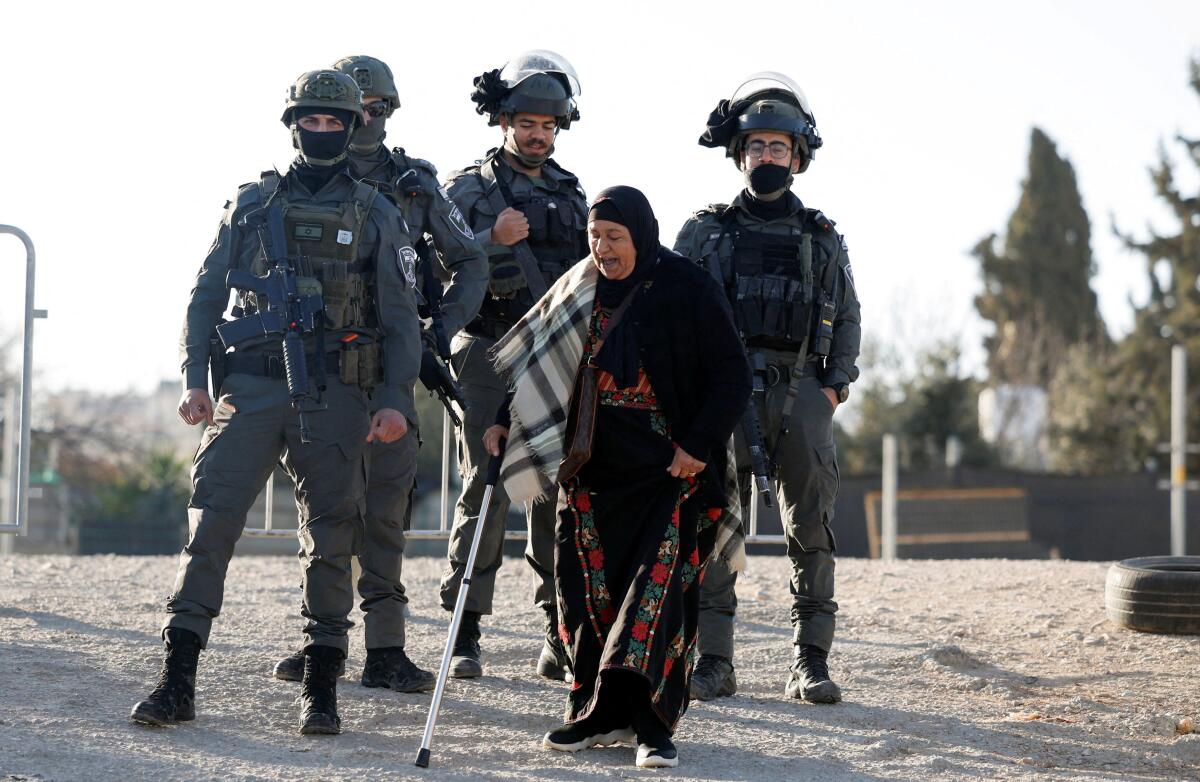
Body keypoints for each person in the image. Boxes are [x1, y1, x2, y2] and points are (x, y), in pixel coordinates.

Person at [130, 69, 422, 735]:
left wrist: (393, 400)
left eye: (334, 122)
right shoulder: (252, 204)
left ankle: (321, 688)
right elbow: (205, 296)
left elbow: (401, 320)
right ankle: (177, 679)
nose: (322, 132)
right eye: (311, 121)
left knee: (329, 539)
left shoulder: (378, 213)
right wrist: (194, 379)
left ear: (352, 129)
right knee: (211, 524)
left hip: (337, 391)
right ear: (293, 124)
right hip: (252, 385)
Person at [486, 186, 750, 768]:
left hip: (668, 471)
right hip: (589, 470)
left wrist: (696, 446)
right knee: (584, 597)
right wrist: (504, 423)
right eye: (595, 237)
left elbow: (733, 376)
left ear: (641, 235)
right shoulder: (579, 289)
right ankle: (595, 713)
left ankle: (653, 726)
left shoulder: (688, 287)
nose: (602, 249)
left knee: (652, 600)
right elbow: (541, 372)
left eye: (615, 237)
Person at [268, 54, 488, 695]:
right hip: (317, 368)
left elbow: (469, 261)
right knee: (325, 511)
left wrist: (435, 329)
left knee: (387, 509)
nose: (366, 120)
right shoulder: (294, 183)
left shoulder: (415, 184)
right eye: (356, 109)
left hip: (390, 366)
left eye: (376, 109)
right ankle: (320, 642)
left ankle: (385, 647)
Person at [674, 72, 861, 703]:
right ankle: (714, 662)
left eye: (778, 148)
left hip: (801, 392)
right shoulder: (705, 234)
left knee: (811, 528)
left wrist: (831, 391)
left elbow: (848, 315)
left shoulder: (821, 236)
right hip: (724, 395)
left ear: (798, 156)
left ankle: (810, 661)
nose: (766, 158)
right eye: (755, 147)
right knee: (714, 526)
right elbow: (673, 314)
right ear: (739, 153)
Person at [437, 50, 589, 682]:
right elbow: (432, 262)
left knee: (554, 492)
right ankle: (464, 630)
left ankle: (558, 629)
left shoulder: (571, 191)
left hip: (554, 353)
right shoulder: (467, 188)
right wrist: (488, 240)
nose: (538, 135)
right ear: (503, 121)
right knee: (487, 487)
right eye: (527, 122)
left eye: (549, 126)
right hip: (484, 349)